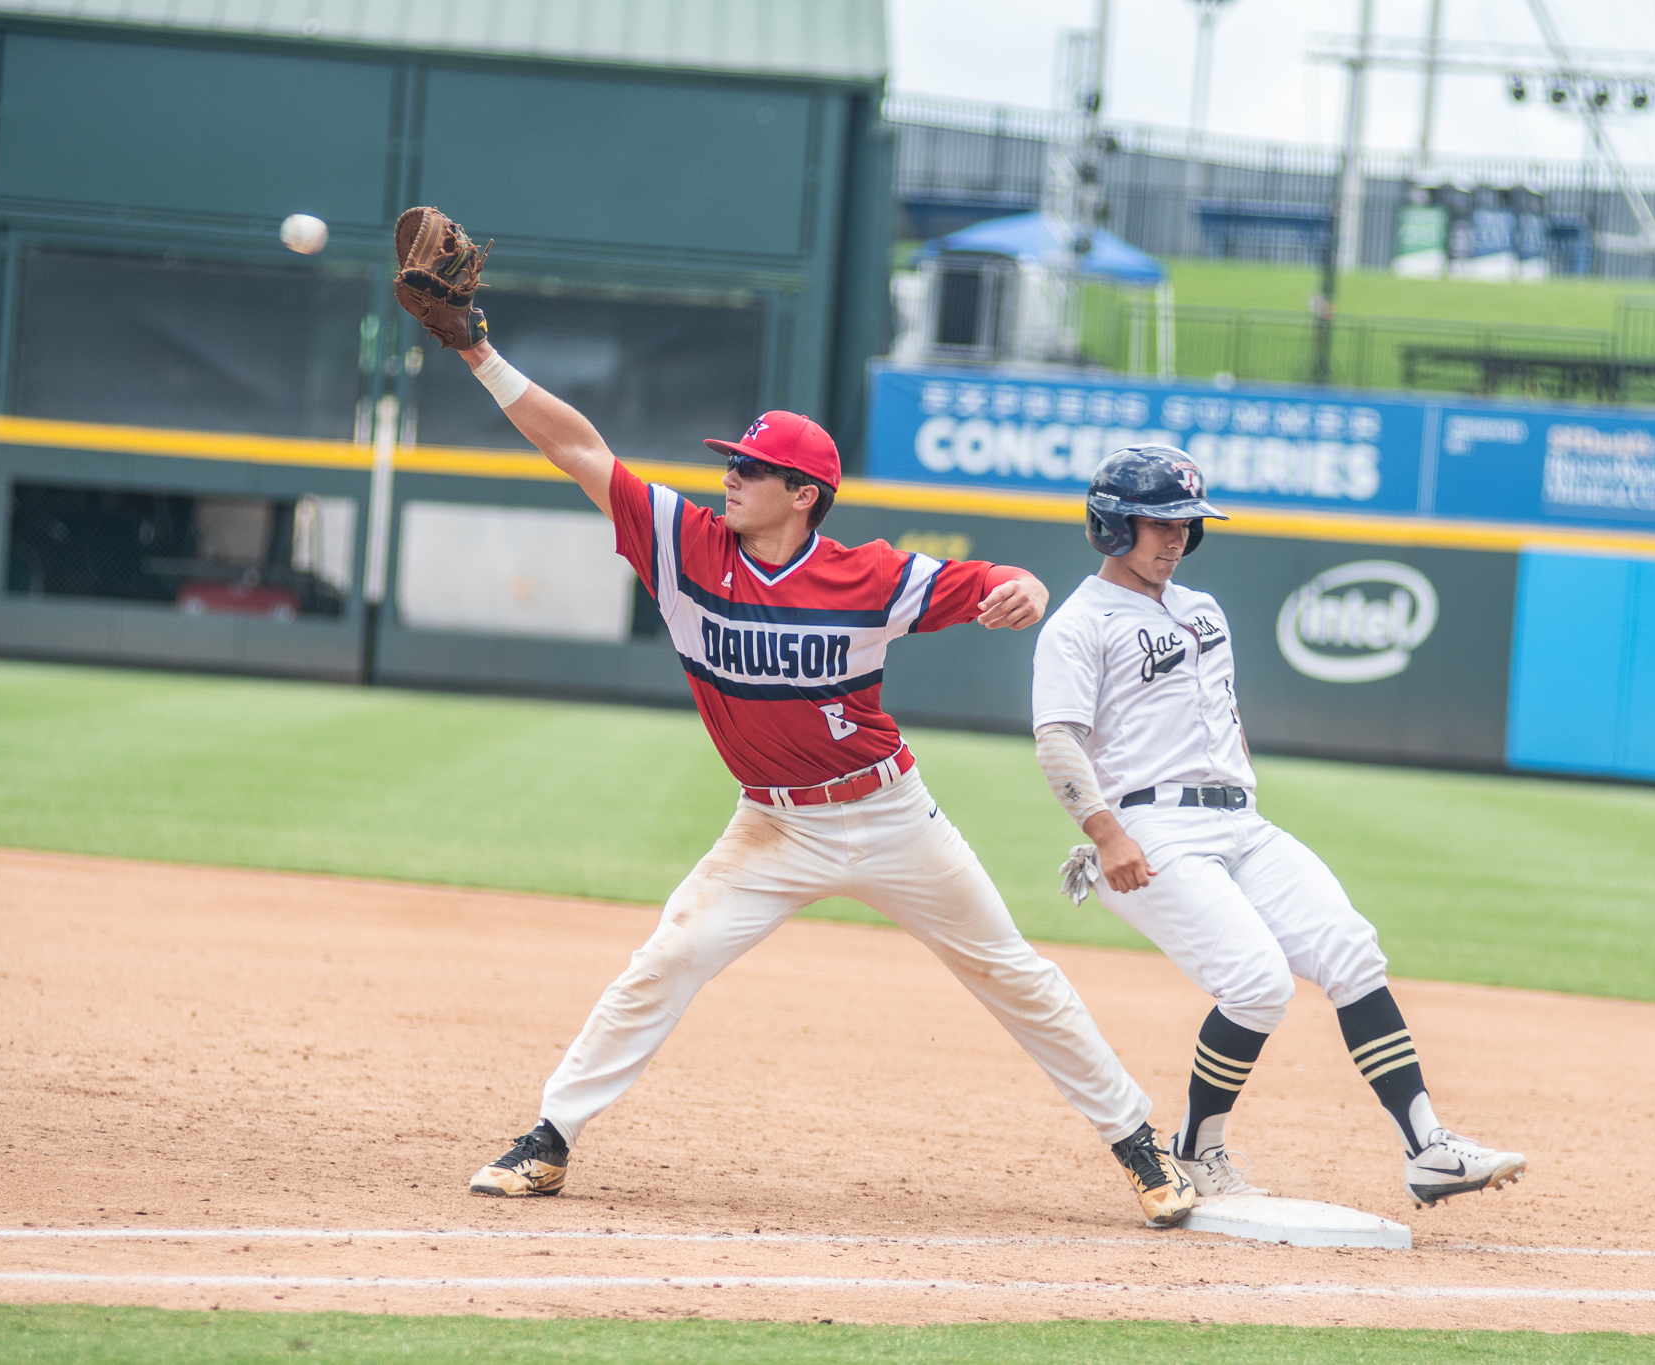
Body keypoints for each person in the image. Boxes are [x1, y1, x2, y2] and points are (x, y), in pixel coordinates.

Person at [402, 292, 1196, 1228]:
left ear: (803, 494)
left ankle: (1141, 1145)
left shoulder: (865, 576)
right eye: (733, 461)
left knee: (1013, 971)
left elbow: (989, 580)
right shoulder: (682, 545)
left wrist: (1021, 586)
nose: (731, 475)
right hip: (773, 823)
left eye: (753, 467)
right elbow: (578, 447)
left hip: (892, 816)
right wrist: (478, 351)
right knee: (667, 957)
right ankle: (550, 1138)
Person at [1029, 444, 1528, 1210]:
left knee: (1352, 950)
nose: (1175, 537)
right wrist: (1106, 834)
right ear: (1112, 525)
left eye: (1186, 523)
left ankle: (1427, 1147)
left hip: (1241, 821)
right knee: (1258, 981)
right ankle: (1197, 1148)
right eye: (1159, 522)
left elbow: (1223, 721)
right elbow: (1059, 738)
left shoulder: (1202, 609)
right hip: (1149, 829)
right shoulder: (1079, 623)